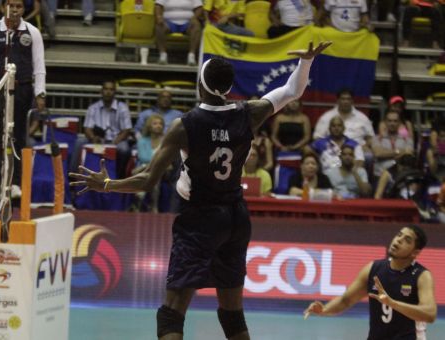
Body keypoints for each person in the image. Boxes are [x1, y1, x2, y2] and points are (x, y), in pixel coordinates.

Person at [70, 41, 332, 340]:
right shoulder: (249, 113)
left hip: (200, 219)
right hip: (235, 216)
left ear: (201, 86)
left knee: (172, 312)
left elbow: (147, 181)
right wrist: (307, 62)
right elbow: (292, 91)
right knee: (232, 313)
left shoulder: (185, 126)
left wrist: (106, 184)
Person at [304, 225, 437, 339]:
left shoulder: (421, 276)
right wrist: (324, 310)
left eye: (407, 240)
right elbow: (346, 300)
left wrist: (393, 303)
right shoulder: (374, 269)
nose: (398, 240)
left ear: (415, 252)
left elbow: (430, 314)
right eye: (399, 235)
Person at [0, 0, 46, 191]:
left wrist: (40, 93)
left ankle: (16, 182)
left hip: (22, 89)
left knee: (18, 135)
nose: (14, 10)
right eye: (11, 5)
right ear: (3, 7)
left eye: (18, 6)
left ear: (23, 9)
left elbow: (39, 65)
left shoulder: (32, 32)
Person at [71, 80, 133, 179]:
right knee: (79, 142)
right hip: (97, 139)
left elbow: (126, 129)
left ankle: (119, 178)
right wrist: (92, 138)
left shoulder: (122, 108)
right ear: (101, 91)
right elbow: (87, 128)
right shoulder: (93, 107)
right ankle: (73, 176)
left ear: (115, 92)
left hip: (116, 140)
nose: (108, 92)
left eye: (111, 89)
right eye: (106, 89)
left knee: (124, 149)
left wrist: (115, 142)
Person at [134, 114, 167, 212]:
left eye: (161, 124)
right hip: (150, 170)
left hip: (163, 171)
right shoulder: (142, 141)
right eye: (155, 123)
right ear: (149, 126)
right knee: (154, 176)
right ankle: (154, 206)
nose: (158, 126)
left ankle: (139, 198)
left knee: (153, 170)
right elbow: (143, 157)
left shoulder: (166, 141)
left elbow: (166, 159)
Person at [155, 0, 203, 65]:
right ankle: (162, 55)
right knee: (159, 26)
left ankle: (192, 56)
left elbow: (199, 8)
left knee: (196, 26)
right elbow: (158, 6)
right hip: (169, 22)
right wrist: (159, 16)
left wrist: (194, 18)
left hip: (188, 22)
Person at [372, 110, 414, 179]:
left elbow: (409, 153)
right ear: (385, 122)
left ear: (399, 123)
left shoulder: (407, 139)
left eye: (395, 121)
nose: (392, 123)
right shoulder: (377, 138)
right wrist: (398, 152)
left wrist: (385, 152)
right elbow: (378, 153)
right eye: (390, 121)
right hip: (380, 176)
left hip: (401, 176)